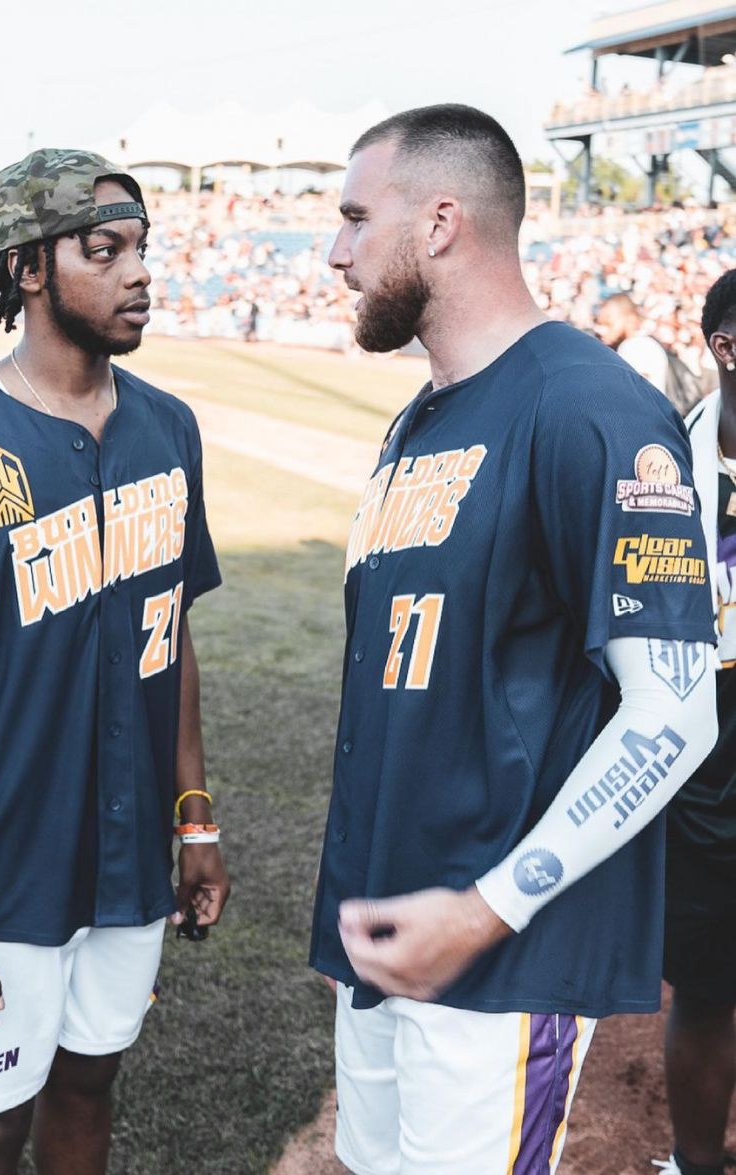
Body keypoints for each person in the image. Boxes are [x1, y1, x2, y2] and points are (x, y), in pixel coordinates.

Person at [308, 104, 719, 1175]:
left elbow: (673, 712)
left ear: (441, 221)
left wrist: (490, 906)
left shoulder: (592, 410)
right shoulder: (421, 417)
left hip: (501, 956)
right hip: (390, 930)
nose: (335, 249)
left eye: (356, 217)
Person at [0, 148, 229, 1174]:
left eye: (142, 249)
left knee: (90, 1083)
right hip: (4, 871)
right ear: (29, 269)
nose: (139, 272)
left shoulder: (170, 427)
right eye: (103, 250)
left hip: (128, 864)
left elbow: (174, 626)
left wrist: (194, 812)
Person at [654, 270, 736, 1175]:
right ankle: (698, 1162)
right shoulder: (664, 463)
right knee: (708, 986)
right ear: (726, 346)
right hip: (706, 765)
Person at [595, 292, 671, 396]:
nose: (600, 330)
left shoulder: (634, 346)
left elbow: (629, 394)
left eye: (608, 324)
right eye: (599, 323)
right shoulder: (642, 343)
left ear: (630, 320)